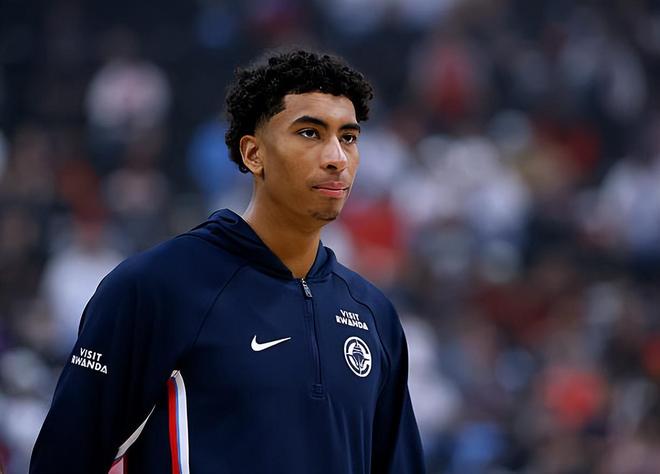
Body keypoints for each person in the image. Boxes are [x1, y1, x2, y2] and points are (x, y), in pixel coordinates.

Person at [30, 49, 425, 474]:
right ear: (253, 154)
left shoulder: (374, 315)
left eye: (348, 137)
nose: (337, 158)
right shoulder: (155, 289)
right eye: (310, 133)